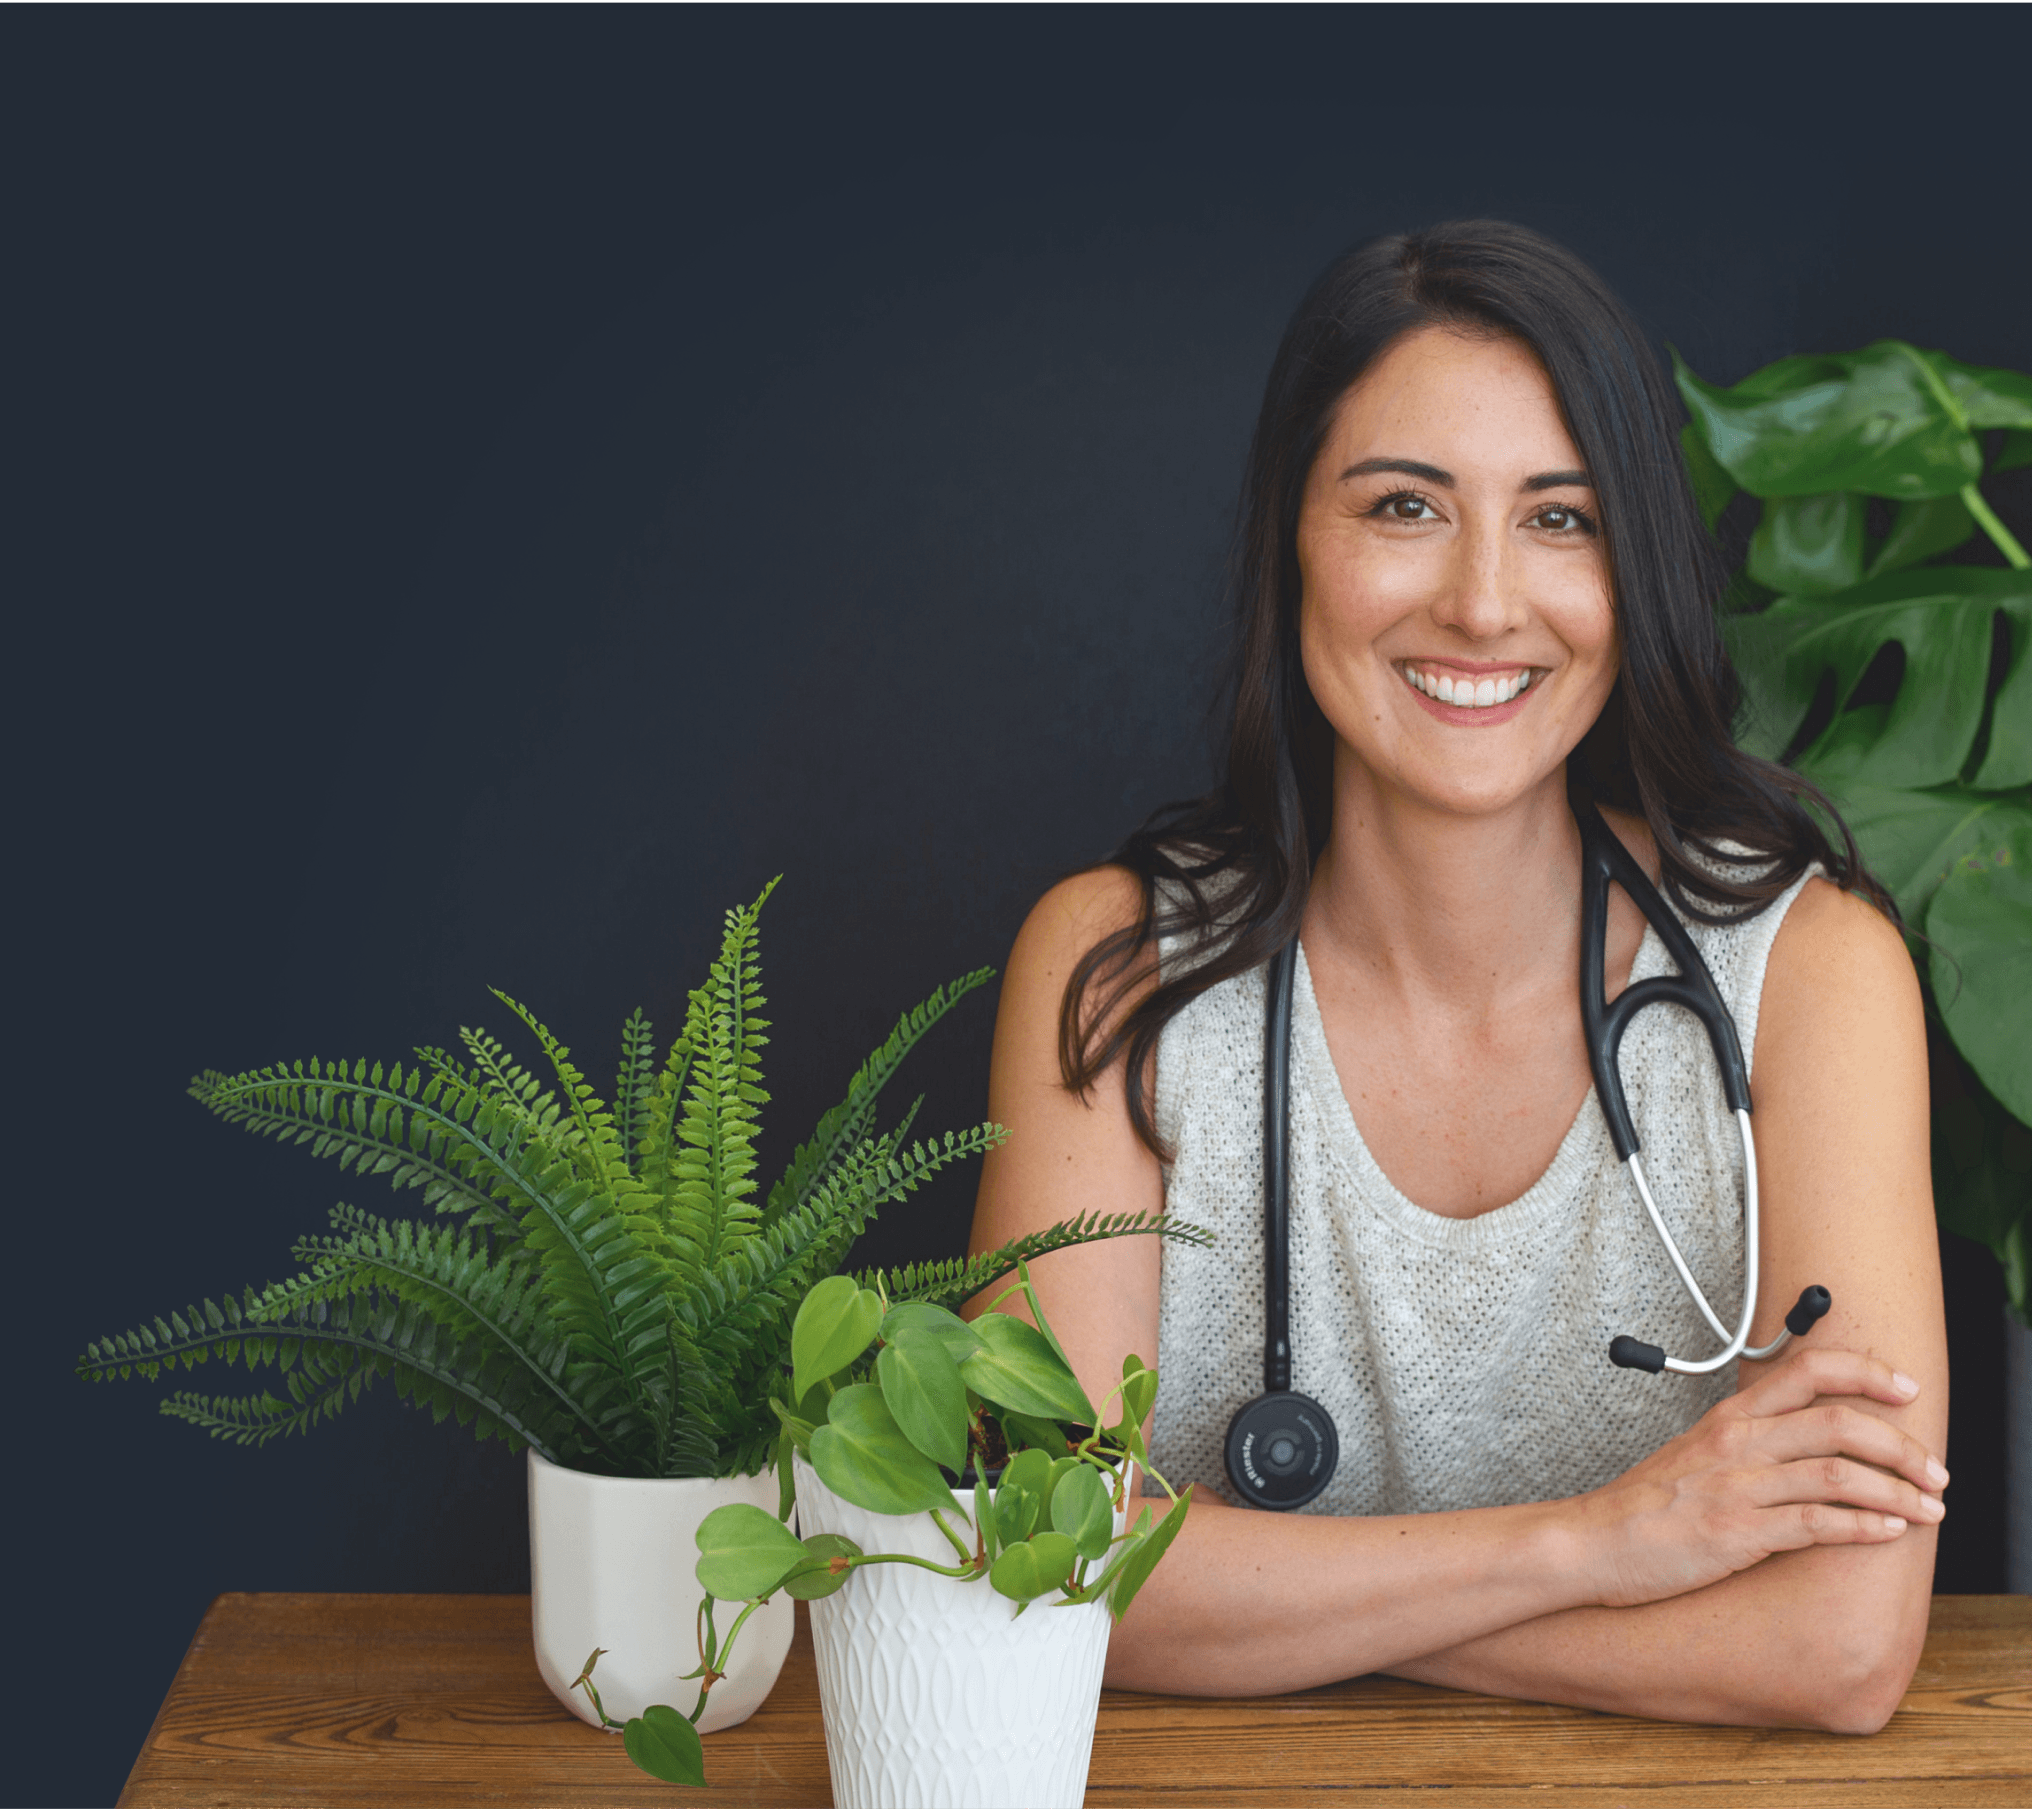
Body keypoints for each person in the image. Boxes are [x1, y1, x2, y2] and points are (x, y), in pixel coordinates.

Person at [966, 220, 1947, 1733]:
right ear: (1292, 535)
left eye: (1562, 520)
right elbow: (1048, 1558)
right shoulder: (1118, 976)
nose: (1486, 604)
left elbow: (1837, 1646)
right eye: (1406, 507)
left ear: (1638, 570)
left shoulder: (1810, 981)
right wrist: (1608, 1545)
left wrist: (1262, 1605)